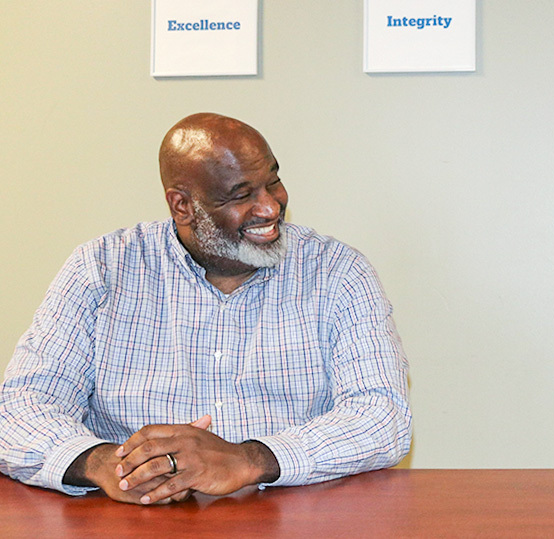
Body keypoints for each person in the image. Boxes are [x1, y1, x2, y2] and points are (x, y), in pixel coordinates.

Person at [0, 113, 411, 504]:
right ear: (182, 206)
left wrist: (250, 459)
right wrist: (105, 464)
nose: (270, 207)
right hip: (136, 520)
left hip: (295, 518)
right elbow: (20, 409)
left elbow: (382, 416)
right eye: (242, 195)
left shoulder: (337, 272)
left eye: (274, 181)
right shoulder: (103, 268)